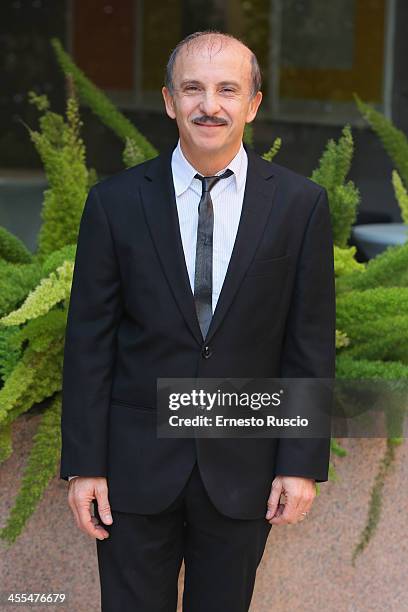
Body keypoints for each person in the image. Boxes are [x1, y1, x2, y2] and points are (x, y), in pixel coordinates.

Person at [60, 30, 336, 612]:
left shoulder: (299, 205)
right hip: (133, 471)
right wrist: (84, 464)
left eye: (227, 89)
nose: (210, 104)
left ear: (253, 104)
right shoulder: (114, 203)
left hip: (244, 468)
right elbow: (89, 341)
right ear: (168, 100)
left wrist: (300, 463)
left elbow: (307, 342)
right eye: (193, 88)